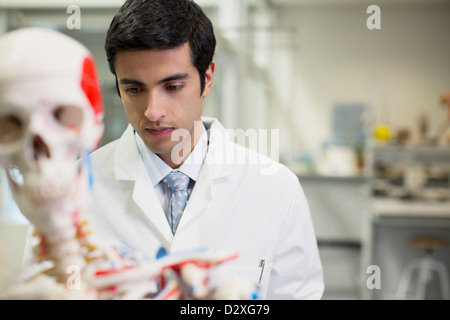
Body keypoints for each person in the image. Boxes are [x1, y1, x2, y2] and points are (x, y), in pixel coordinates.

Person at [86, 0, 324, 299]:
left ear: (207, 78)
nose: (153, 111)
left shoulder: (278, 189)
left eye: (172, 87)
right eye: (134, 89)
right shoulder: (74, 190)